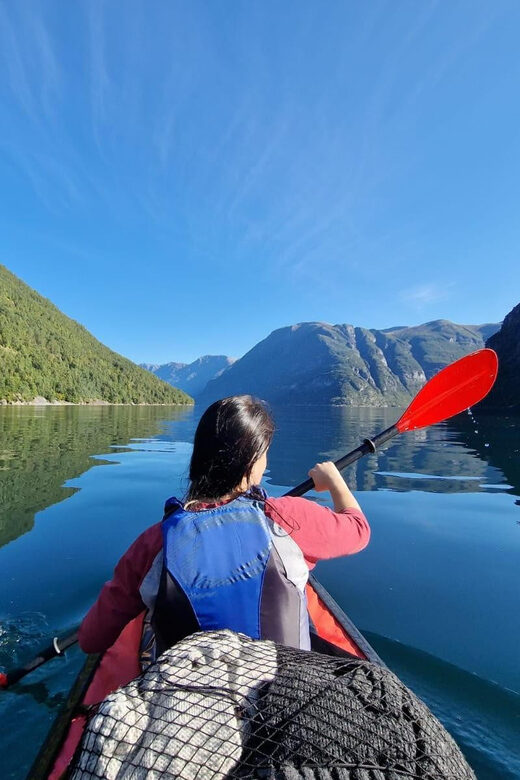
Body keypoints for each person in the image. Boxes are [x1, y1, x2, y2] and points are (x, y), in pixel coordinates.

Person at [79, 395, 370, 664]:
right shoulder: (288, 517)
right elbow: (359, 530)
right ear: (254, 461)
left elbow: (91, 640)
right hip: (285, 695)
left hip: (188, 708)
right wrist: (334, 481)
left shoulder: (153, 543)